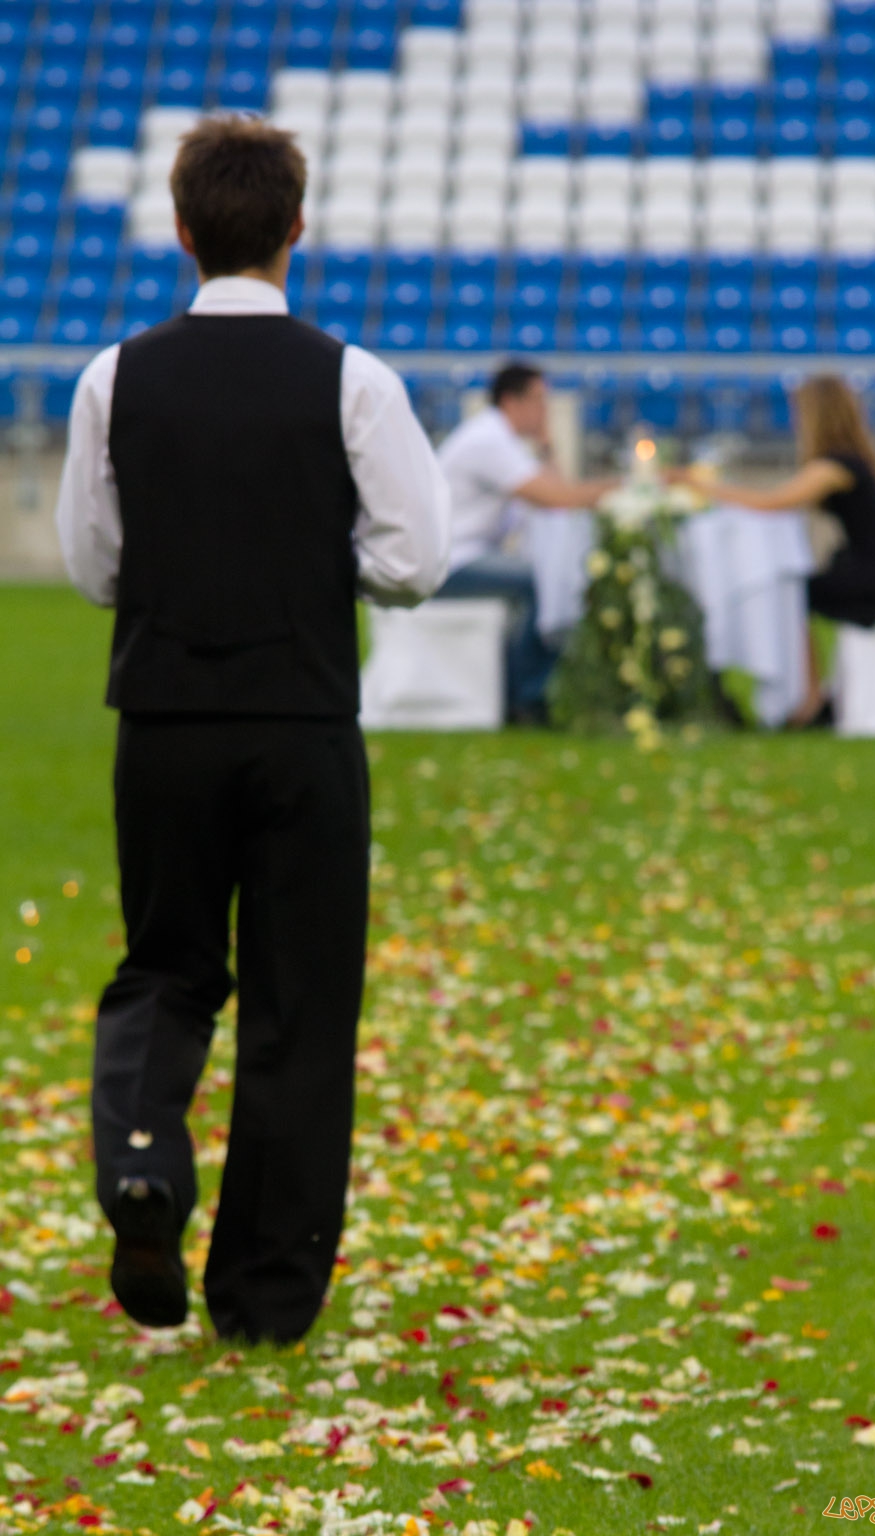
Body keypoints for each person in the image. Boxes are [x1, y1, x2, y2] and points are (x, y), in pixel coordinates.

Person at [54, 116, 451, 1344]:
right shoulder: (355, 380)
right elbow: (414, 565)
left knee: (165, 967)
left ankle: (143, 1156)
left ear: (181, 230)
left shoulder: (113, 376)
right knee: (300, 1006)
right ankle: (265, 1299)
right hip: (301, 722)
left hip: (164, 718)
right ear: (296, 228)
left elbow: (92, 565)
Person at [672, 375, 875, 727]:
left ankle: (806, 700)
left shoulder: (834, 466)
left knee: (792, 592)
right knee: (797, 589)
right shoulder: (849, 460)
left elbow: (773, 502)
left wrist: (700, 485)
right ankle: (808, 697)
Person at [436, 362, 621, 721]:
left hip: (468, 554)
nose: (545, 411)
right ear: (511, 401)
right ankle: (526, 696)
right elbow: (559, 498)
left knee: (549, 576)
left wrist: (546, 445)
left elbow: (557, 493)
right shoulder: (489, 441)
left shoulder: (501, 440)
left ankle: (526, 689)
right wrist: (627, 487)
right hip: (452, 561)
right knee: (546, 581)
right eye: (539, 400)